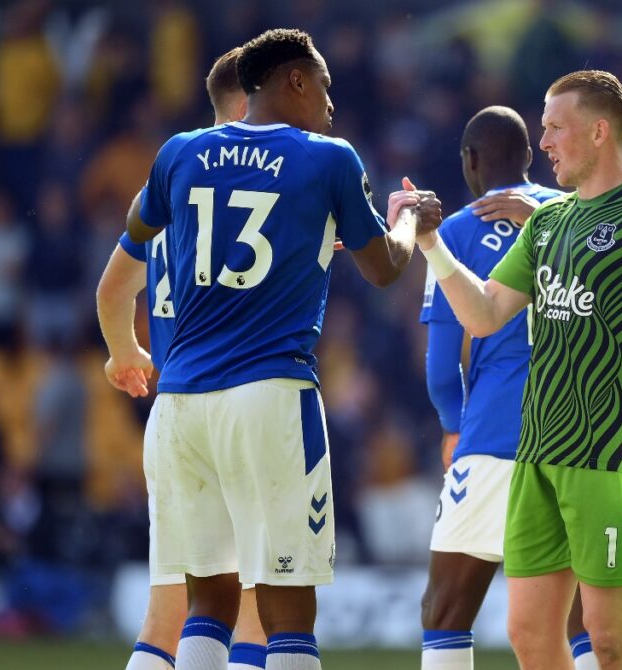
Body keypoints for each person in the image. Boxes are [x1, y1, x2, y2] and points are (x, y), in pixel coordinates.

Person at [102, 28, 441, 670]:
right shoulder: (329, 157)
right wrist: (410, 220)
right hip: (269, 396)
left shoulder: (179, 153)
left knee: (208, 603)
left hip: (180, 406)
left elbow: (138, 230)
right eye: (324, 85)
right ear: (293, 81)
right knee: (288, 614)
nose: (331, 101)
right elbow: (384, 268)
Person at [415, 69, 622, 670]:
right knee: (528, 634)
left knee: (608, 639)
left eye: (554, 128)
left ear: (599, 132)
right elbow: (484, 315)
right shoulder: (547, 223)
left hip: (610, 459)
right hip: (535, 457)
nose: (543, 142)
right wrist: (431, 244)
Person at [98, 47, 270, 670]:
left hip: (173, 413)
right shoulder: (262, 179)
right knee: (256, 602)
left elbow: (114, 288)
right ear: (253, 99)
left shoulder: (170, 180)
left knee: (167, 611)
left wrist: (126, 354)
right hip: (244, 401)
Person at [418, 106, 564, 670]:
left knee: (446, 609)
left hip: (495, 433)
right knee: (575, 616)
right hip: (576, 435)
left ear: (469, 161)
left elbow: (439, 368)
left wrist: (454, 427)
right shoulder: (574, 216)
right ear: (532, 158)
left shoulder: (454, 230)